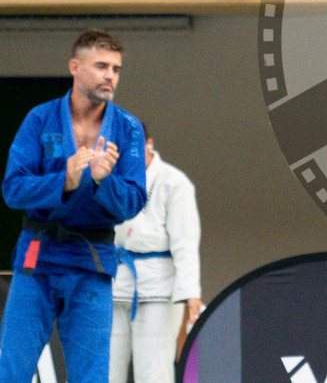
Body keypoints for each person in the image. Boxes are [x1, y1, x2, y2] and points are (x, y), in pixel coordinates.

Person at [0, 29, 146, 383]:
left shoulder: (127, 129)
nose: (110, 75)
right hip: (38, 258)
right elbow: (12, 190)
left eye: (116, 68)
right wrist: (62, 181)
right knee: (11, 370)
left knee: (91, 377)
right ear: (75, 67)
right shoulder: (40, 119)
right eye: (101, 66)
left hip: (91, 262)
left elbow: (132, 202)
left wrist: (102, 180)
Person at [110, 125, 202, 383]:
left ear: (148, 143)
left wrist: (190, 292)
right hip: (114, 283)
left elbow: (185, 241)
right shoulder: (110, 179)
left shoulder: (173, 181)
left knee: (154, 372)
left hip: (158, 288)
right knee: (104, 370)